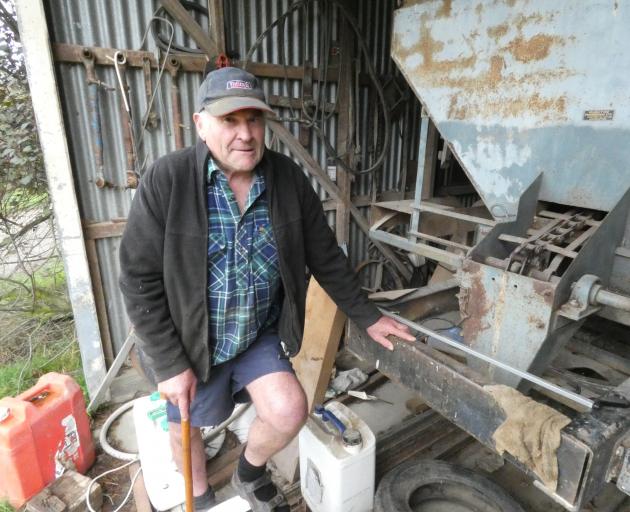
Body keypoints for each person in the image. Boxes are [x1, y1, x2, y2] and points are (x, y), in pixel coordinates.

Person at [119, 66, 414, 511]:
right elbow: (138, 278)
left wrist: (368, 317)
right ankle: (199, 496)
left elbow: (325, 256)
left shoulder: (288, 180)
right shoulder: (168, 180)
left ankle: (248, 472)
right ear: (201, 124)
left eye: (253, 120)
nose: (245, 134)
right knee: (186, 427)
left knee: (289, 410)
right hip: (189, 343)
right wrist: (167, 363)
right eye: (229, 121)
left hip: (255, 333)